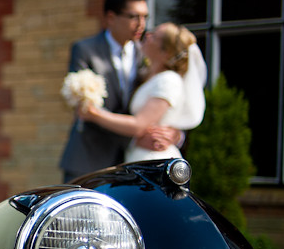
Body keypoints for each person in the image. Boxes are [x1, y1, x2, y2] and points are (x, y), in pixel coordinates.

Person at [59, 0, 181, 182]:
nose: (141, 24)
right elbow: (84, 109)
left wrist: (174, 134)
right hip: (89, 160)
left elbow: (159, 103)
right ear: (111, 17)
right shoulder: (85, 50)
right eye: (134, 17)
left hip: (132, 164)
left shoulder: (147, 54)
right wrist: (135, 135)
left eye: (145, 17)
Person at [78, 22, 206, 162]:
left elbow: (139, 125)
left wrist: (94, 114)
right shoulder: (147, 75)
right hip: (135, 155)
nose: (148, 35)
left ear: (166, 52)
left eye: (154, 36)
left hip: (154, 156)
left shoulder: (169, 80)